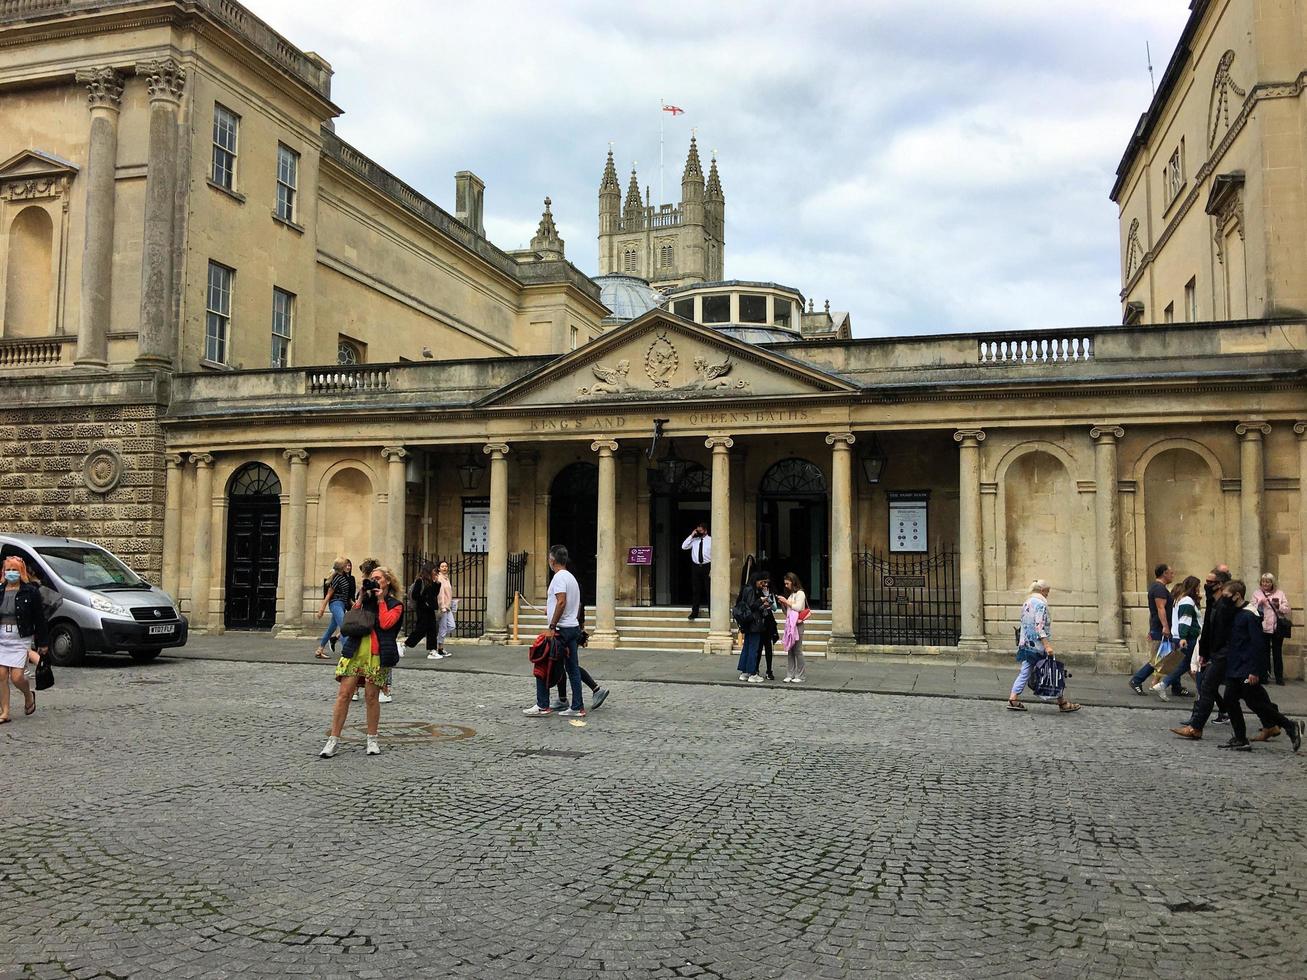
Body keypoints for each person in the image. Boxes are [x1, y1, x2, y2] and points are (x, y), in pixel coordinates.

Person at [320, 564, 405, 758]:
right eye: (372, 578)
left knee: (371, 697)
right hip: (355, 651)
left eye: (378, 578)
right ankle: (333, 740)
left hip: (376, 654)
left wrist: (381, 600)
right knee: (343, 694)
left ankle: (372, 739)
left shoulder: (395, 605)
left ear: (388, 581)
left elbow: (386, 623)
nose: (375, 581)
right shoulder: (364, 600)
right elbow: (351, 621)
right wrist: (360, 597)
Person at [1214, 580, 1302, 752]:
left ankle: (1290, 725)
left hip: (1246, 668)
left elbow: (1258, 645)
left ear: (1237, 596)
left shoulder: (1250, 615)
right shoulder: (1234, 613)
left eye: (1226, 596)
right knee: (1231, 701)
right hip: (1234, 667)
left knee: (1258, 704)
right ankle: (1241, 738)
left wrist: (1254, 671)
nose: (1223, 599)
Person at [523, 545, 586, 717]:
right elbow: (567, 604)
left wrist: (552, 625)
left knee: (542, 662)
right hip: (572, 627)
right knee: (572, 668)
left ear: (552, 560)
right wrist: (549, 610)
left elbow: (561, 602)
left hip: (560, 630)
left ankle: (543, 704)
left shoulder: (558, 578)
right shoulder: (571, 578)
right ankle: (577, 707)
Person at [1007, 580, 1080, 712]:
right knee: (1054, 672)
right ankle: (1062, 703)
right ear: (1042, 591)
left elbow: (1024, 624)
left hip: (1026, 645)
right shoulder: (1040, 604)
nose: (1048, 594)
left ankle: (1013, 698)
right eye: (1047, 592)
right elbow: (1039, 627)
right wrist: (1047, 646)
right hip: (1039, 646)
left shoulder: (1027, 602)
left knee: (1025, 671)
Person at [0, 556, 46, 724]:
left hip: (20, 639)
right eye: (8, 570)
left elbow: (40, 619)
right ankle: (4, 711)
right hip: (2, 637)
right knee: (1, 675)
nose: (11, 573)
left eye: (14, 570)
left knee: (17, 677)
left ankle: (28, 695)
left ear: (21, 571)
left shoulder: (30, 592)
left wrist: (43, 643)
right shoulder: (0, 590)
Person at [1129, 563, 1183, 695]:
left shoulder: (1158, 588)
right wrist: (1165, 626)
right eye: (1171, 572)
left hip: (1160, 628)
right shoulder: (1159, 589)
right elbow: (1160, 608)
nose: (1172, 575)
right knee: (1159, 659)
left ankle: (1176, 687)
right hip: (1162, 629)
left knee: (1173, 657)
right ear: (1164, 573)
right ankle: (1137, 680)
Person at [1150, 576, 1202, 700]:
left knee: (1186, 664)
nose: (1199, 589)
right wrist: (1183, 637)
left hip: (1182, 636)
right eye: (1198, 586)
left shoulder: (1180, 599)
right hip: (1187, 637)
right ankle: (1164, 684)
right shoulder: (1187, 600)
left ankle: (1163, 684)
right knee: (1189, 664)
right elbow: (1185, 620)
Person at [1252, 572, 1291, 685]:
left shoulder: (1280, 593)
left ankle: (1279, 677)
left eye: (1268, 581)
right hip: (1263, 627)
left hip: (1276, 627)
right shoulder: (1257, 593)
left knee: (1277, 653)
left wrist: (1279, 606)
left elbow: (1287, 609)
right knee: (1264, 653)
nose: (1265, 584)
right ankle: (1264, 676)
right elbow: (1252, 608)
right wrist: (1260, 602)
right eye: (1263, 581)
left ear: (1272, 583)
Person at [735, 570, 770, 684]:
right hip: (754, 623)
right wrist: (761, 601)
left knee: (747, 647)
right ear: (756, 581)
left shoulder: (745, 589)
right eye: (761, 582)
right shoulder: (751, 590)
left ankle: (744, 672)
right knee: (753, 648)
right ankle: (752, 673)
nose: (762, 585)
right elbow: (751, 606)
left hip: (748, 623)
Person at [314, 557, 352, 660]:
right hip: (336, 603)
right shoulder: (337, 578)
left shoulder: (343, 577)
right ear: (342, 567)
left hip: (341, 605)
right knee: (344, 627)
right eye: (346, 565)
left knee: (331, 629)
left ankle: (319, 650)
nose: (347, 567)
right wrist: (322, 608)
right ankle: (347, 653)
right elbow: (329, 593)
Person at [777, 571, 807, 683]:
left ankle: (800, 675)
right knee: (790, 650)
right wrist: (783, 604)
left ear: (793, 582)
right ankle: (790, 674)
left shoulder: (800, 593)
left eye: (787, 583)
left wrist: (786, 602)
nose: (786, 586)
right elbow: (787, 613)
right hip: (790, 625)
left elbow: (798, 608)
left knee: (798, 651)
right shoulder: (791, 595)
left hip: (798, 625)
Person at [404, 561, 437, 652]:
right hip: (422, 609)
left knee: (432, 629)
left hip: (430, 609)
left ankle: (432, 650)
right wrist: (425, 600)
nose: (435, 572)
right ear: (429, 570)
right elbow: (415, 595)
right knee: (421, 630)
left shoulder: (431, 581)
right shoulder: (420, 581)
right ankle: (404, 644)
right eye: (434, 570)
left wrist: (436, 583)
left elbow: (434, 594)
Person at [682, 522, 711, 620]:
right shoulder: (694, 540)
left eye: (700, 530)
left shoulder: (711, 540)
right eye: (697, 530)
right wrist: (692, 535)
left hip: (707, 566)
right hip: (696, 566)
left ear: (705, 530)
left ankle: (712, 611)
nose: (699, 532)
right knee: (696, 590)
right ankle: (695, 612)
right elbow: (684, 546)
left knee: (709, 590)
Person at [430, 559, 455, 660]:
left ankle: (438, 643)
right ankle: (439, 648)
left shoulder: (446, 578)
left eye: (446, 566)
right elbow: (440, 595)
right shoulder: (440, 578)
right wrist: (442, 606)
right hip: (443, 607)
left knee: (451, 626)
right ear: (439, 568)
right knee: (443, 628)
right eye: (442, 566)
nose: (445, 568)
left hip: (448, 606)